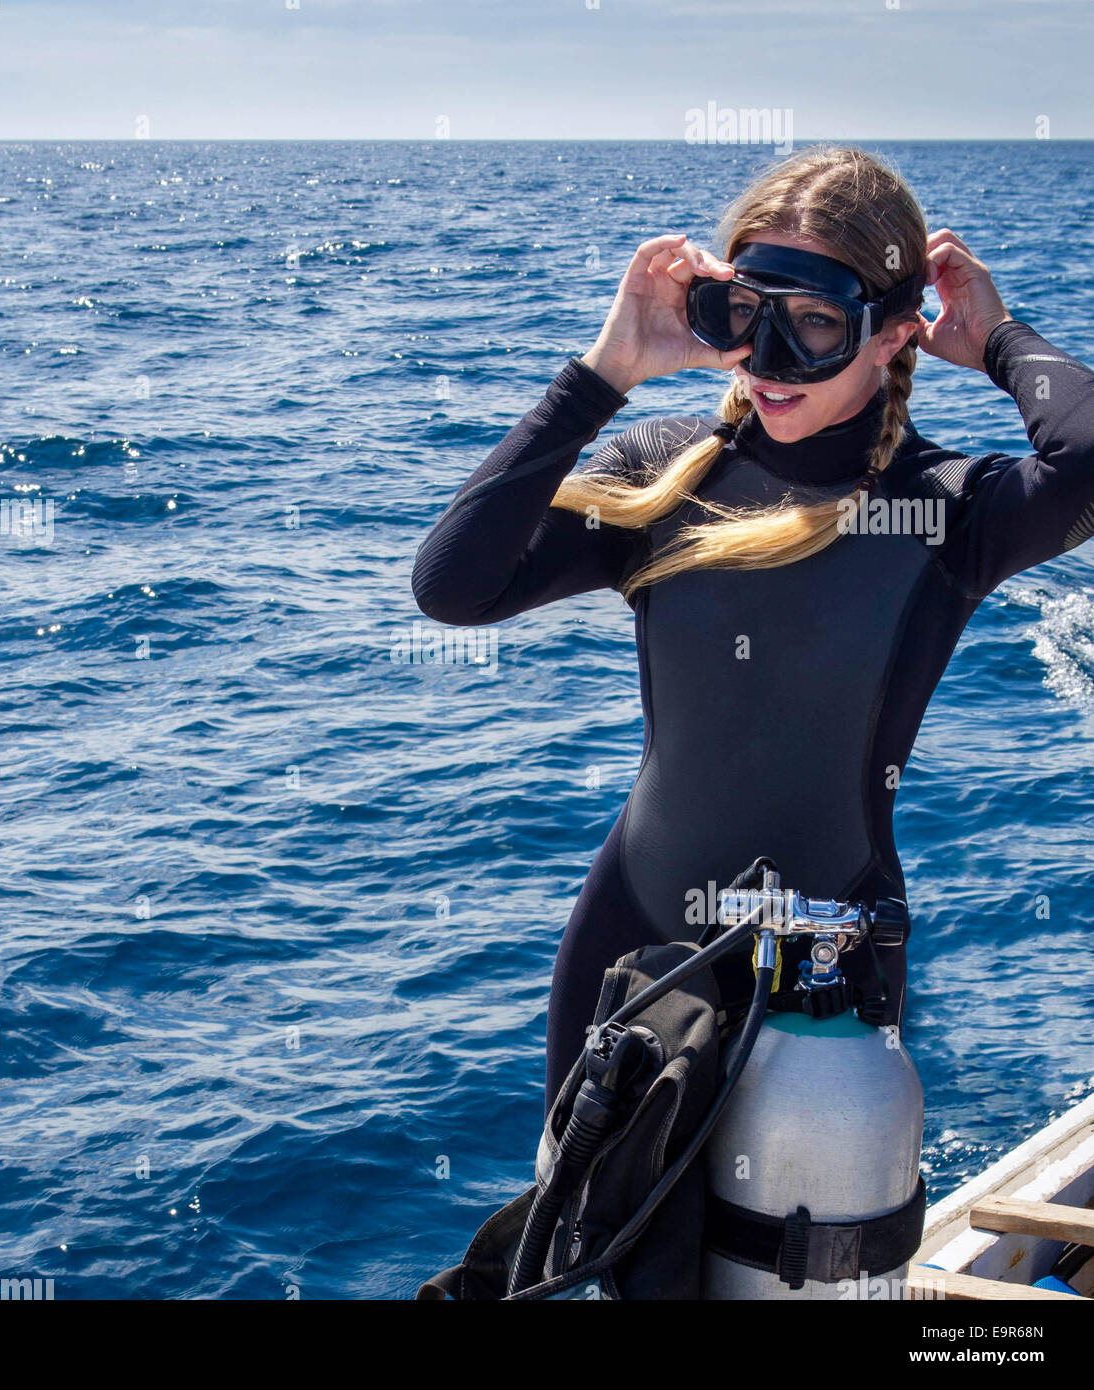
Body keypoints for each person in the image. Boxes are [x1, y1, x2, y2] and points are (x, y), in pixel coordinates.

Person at [411, 145, 1094, 1114]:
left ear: (893, 331)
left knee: (795, 1257)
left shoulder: (944, 509)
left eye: (814, 323)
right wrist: (605, 372)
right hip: (631, 942)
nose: (770, 361)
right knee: (591, 1250)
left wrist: (995, 336)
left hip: (828, 961)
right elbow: (453, 588)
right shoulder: (661, 472)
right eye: (746, 314)